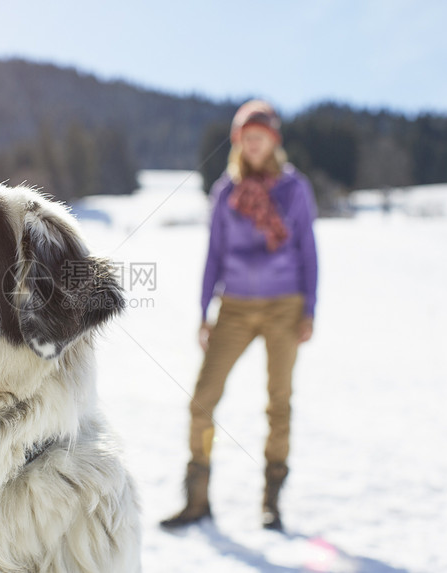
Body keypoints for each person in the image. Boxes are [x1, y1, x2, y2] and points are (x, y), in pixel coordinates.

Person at [161, 100, 318, 531]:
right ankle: (197, 499)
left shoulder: (294, 189)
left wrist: (309, 309)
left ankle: (271, 500)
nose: (253, 143)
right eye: (246, 136)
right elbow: (214, 253)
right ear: (237, 141)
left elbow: (307, 248)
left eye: (261, 136)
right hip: (234, 307)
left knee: (279, 403)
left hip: (285, 306)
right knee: (202, 400)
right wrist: (203, 310)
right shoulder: (225, 192)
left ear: (273, 141)